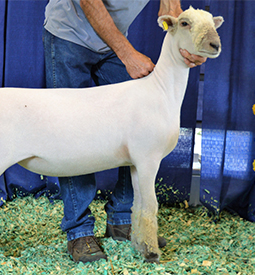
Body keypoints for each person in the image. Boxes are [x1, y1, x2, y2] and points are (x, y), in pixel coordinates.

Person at [43, 0, 206, 263]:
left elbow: (171, 6)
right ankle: (79, 231)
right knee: (73, 132)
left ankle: (122, 219)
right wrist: (127, 54)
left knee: (139, 126)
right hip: (69, 34)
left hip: (113, 37)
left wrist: (183, 35)